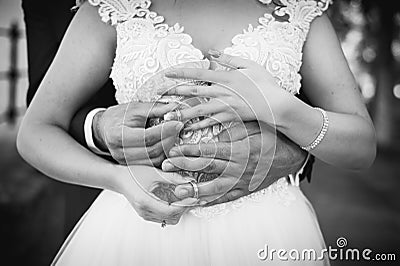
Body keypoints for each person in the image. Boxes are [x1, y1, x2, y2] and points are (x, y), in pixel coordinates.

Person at [17, 0, 376, 265]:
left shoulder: (299, 14)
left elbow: (362, 147)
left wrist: (282, 108)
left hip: (268, 228)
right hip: (137, 223)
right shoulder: (111, 10)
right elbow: (35, 132)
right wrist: (119, 177)